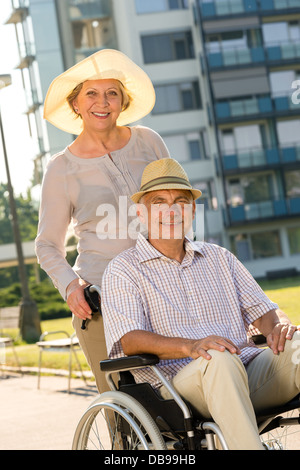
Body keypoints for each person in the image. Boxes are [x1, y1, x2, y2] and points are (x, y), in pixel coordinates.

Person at [101, 158, 300, 450]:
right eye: (159, 202)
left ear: (192, 210)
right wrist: (190, 346)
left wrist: (280, 326)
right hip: (176, 388)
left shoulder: (220, 258)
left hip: (247, 374)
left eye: (180, 201)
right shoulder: (124, 269)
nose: (171, 210)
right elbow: (129, 339)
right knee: (216, 357)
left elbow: (265, 313)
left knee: (298, 344)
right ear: (141, 213)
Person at [35, 49, 170, 393]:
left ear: (123, 101)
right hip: (102, 298)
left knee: (187, 394)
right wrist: (70, 286)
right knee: (125, 406)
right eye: (91, 93)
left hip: (166, 288)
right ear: (76, 104)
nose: (102, 102)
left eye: (112, 93)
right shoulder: (61, 168)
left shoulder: (149, 141)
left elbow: (176, 206)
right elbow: (47, 245)